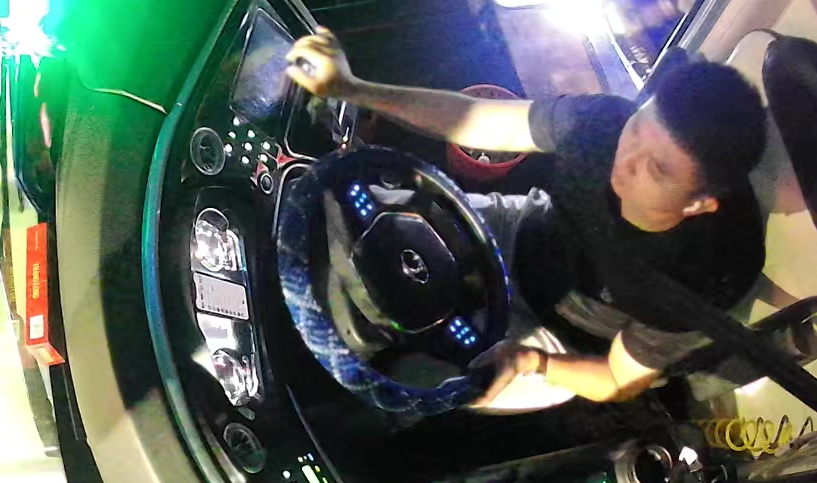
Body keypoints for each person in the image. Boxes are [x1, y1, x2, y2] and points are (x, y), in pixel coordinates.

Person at [285, 27, 768, 406]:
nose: (626, 160)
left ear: (698, 204)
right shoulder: (603, 123)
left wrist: (531, 361)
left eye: (656, 169)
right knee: (363, 224)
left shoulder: (699, 284)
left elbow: (617, 379)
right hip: (525, 229)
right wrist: (353, 87)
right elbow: (474, 118)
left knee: (427, 381)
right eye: (639, 128)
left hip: (564, 336)